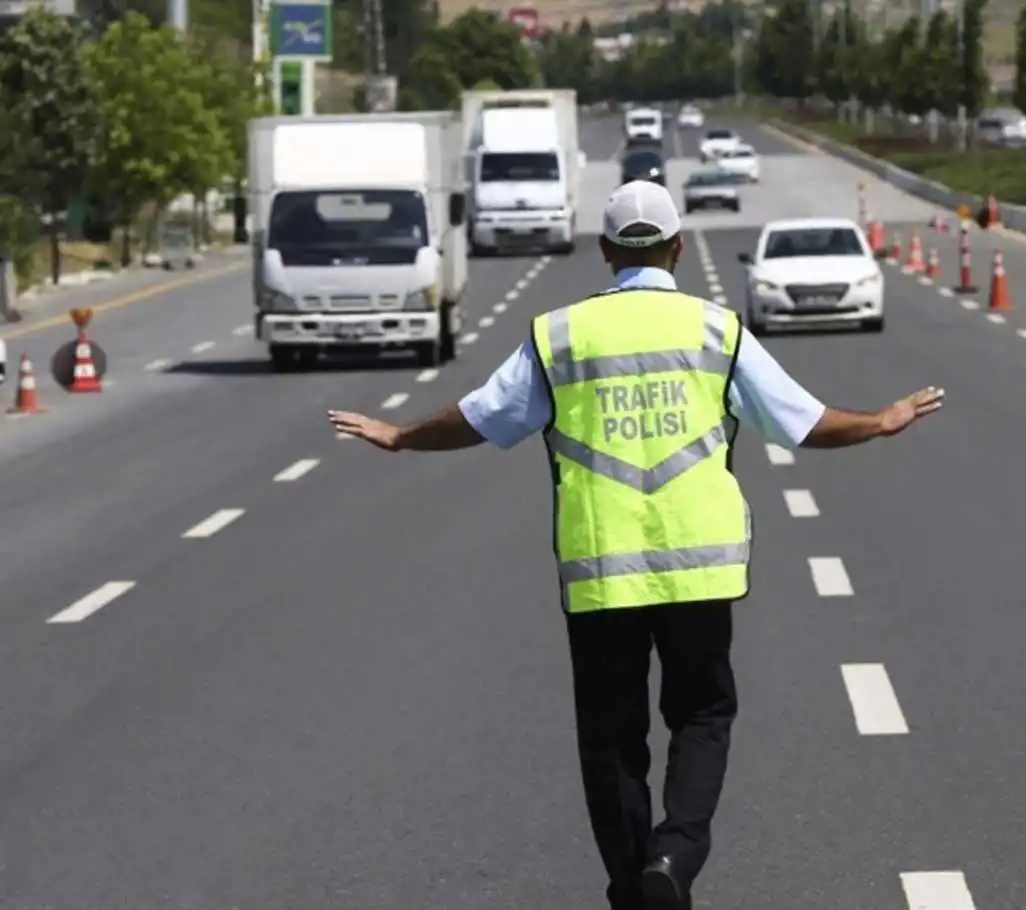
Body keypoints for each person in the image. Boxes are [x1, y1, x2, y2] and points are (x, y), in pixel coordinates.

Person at [328, 181, 946, 910]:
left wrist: (400, 436)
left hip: (601, 570)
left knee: (611, 737)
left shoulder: (561, 335)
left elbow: (483, 417)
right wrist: (880, 420)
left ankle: (631, 886)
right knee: (702, 715)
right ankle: (673, 856)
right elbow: (800, 421)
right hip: (701, 566)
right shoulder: (715, 330)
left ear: (606, 252)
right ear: (678, 248)